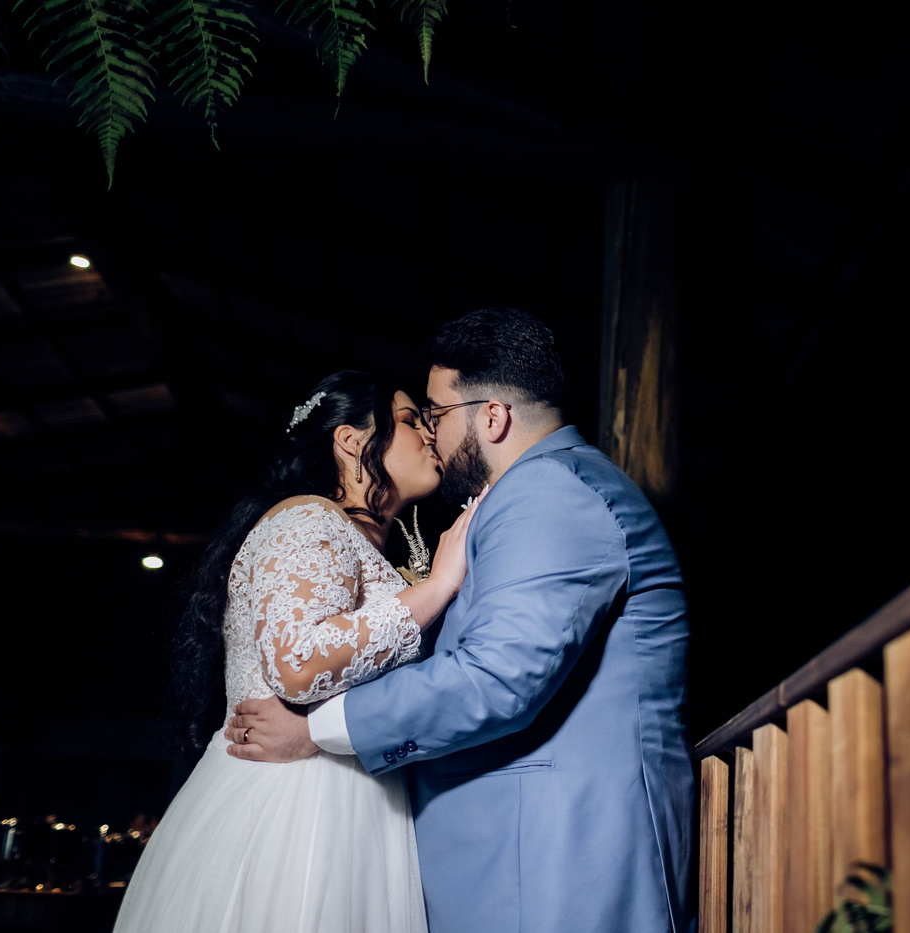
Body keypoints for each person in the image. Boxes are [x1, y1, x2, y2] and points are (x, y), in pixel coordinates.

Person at [227, 309, 694, 933]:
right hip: (502, 854)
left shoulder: (551, 491)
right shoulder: (522, 497)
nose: (431, 433)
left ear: (492, 417)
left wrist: (318, 730)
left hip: (555, 856)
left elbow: (496, 676)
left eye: (437, 413)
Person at [114, 371, 482, 933]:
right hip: (293, 805)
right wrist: (436, 589)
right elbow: (298, 664)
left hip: (361, 801)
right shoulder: (308, 518)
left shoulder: (357, 538)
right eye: (410, 421)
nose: (430, 434)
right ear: (351, 440)